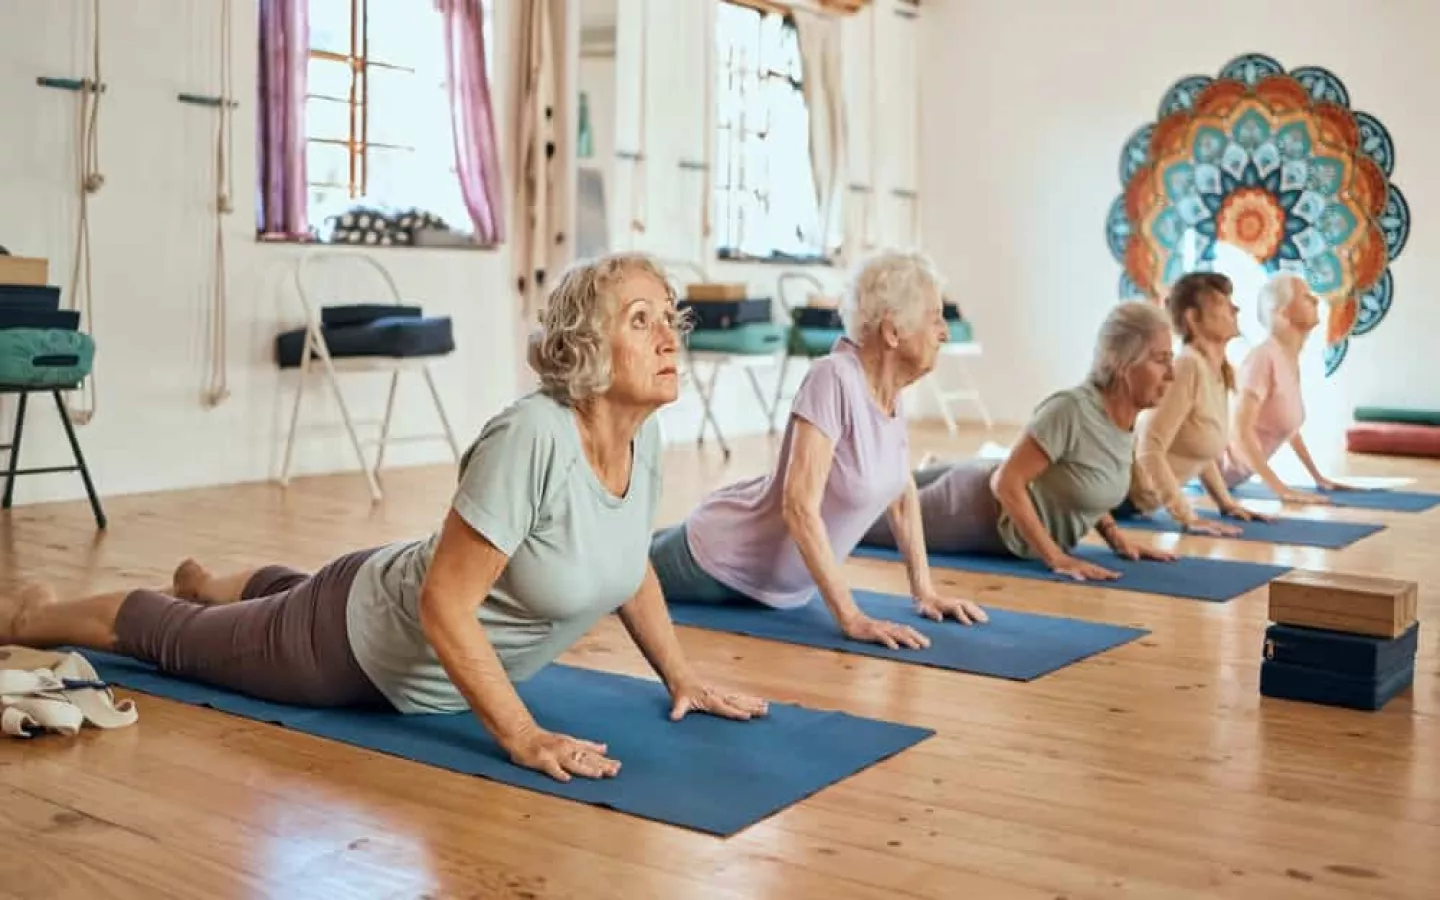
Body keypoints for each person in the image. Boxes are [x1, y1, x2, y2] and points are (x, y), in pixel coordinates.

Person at [0, 251, 768, 784]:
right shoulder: (533, 435)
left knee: (281, 594)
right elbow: (442, 603)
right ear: (585, 348)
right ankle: (40, 610)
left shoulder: (644, 433)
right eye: (642, 320)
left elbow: (626, 556)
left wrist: (684, 676)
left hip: (375, 590)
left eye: (672, 316)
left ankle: (216, 581)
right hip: (344, 645)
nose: (671, 336)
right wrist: (521, 734)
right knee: (168, 637)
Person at [649, 250, 988, 653]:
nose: (945, 332)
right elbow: (798, 506)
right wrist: (851, 617)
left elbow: (901, 493)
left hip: (776, 588)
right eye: (935, 319)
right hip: (719, 559)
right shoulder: (833, 377)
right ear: (892, 332)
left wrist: (924, 592)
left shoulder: (891, 394)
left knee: (624, 547)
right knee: (606, 571)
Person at [860, 301, 1179, 581]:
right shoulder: (1072, 410)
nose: (1172, 374)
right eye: (1161, 359)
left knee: (872, 492)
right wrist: (1057, 558)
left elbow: (1085, 483)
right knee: (854, 523)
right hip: (974, 508)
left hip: (985, 484)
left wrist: (1116, 539)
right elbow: (1006, 483)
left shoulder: (1121, 422)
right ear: (1123, 363)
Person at [1115, 272, 1268, 534]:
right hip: (1113, 496)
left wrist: (1227, 504)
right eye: (1222, 304)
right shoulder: (1187, 366)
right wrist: (1187, 517)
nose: (1235, 308)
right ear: (1193, 318)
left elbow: (1199, 450)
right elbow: (1149, 447)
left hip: (1134, 504)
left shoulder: (1216, 370)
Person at [1218, 271, 1356, 503]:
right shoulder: (1262, 358)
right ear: (1281, 312)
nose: (1315, 300)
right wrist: (1281, 490)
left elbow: (1288, 427)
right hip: (1204, 471)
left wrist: (1318, 478)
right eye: (1305, 296)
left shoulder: (1288, 359)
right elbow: (1241, 430)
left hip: (1230, 478)